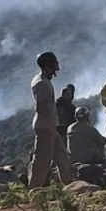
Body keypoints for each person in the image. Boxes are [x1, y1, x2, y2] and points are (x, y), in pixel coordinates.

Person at [28, 52, 72, 188]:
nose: (57, 66)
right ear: (48, 66)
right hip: (45, 128)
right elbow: (42, 108)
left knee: (62, 157)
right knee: (42, 160)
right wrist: (50, 127)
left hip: (51, 127)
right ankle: (34, 189)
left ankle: (71, 185)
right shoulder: (41, 83)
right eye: (54, 63)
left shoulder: (43, 80)